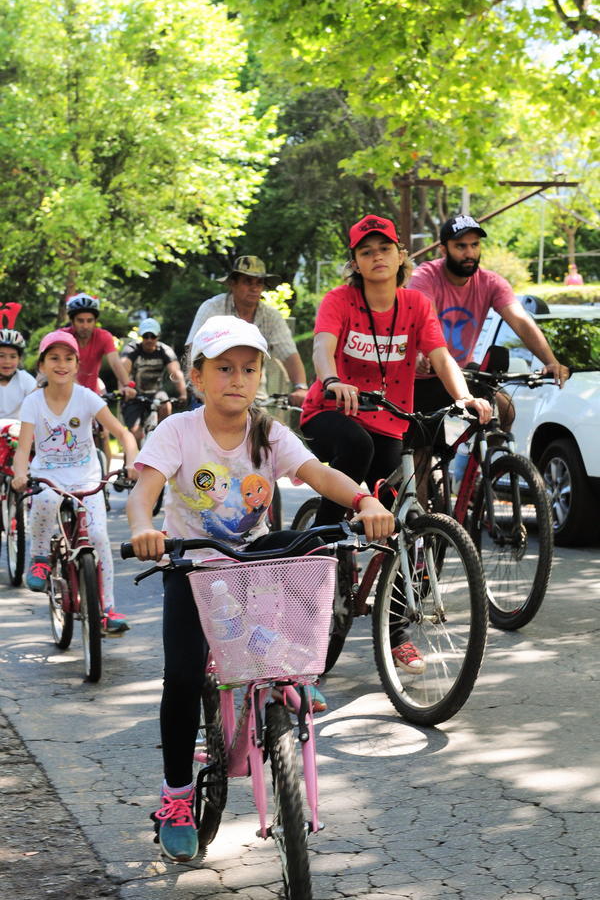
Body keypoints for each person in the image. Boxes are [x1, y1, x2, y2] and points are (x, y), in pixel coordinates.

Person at [126, 315, 394, 862]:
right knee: (183, 676)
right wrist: (142, 530)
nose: (238, 379)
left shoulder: (268, 432)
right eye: (224, 368)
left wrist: (364, 500)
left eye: (249, 369)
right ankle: (176, 797)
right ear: (197, 376)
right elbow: (144, 490)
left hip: (250, 562)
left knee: (304, 559)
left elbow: (319, 474)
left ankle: (284, 680)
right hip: (191, 564)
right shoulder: (178, 431)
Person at [299, 214, 492, 674]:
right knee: (358, 450)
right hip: (331, 411)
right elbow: (322, 346)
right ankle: (321, 547)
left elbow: (440, 355)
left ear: (400, 255)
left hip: (390, 420)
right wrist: (332, 380)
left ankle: (398, 631)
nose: (377, 257)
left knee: (400, 524)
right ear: (355, 263)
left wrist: (463, 397)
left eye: (384, 248)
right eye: (366, 252)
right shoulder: (340, 300)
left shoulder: (415, 304)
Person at [407, 214, 569, 492]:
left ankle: (477, 481)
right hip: (419, 379)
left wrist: (551, 361)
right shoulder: (425, 277)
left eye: (474, 245)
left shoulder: (491, 282)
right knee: (421, 455)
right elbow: (425, 319)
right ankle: (420, 519)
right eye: (461, 246)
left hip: (458, 376)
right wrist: (424, 353)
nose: (469, 253)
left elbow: (521, 321)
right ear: (443, 249)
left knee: (503, 410)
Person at [12, 332, 138, 633]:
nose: (62, 364)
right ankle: (40, 557)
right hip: (49, 476)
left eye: (69, 358)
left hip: (86, 477)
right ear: (42, 365)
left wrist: (132, 461)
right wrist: (19, 474)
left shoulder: (87, 398)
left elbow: (123, 434)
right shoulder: (33, 402)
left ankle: (106, 609)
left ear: (77, 365)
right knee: (44, 499)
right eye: (54, 358)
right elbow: (23, 449)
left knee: (98, 536)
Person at [185, 256, 309, 407]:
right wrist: (200, 390)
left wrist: (301, 387)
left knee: (263, 421)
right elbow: (193, 351)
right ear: (233, 283)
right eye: (248, 281)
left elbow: (289, 354)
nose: (254, 288)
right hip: (210, 393)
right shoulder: (212, 308)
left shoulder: (272, 316)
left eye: (259, 282)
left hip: (254, 397)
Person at [63, 293, 137, 466]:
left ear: (95, 321)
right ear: (72, 321)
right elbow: (65, 371)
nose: (85, 325)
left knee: (103, 434)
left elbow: (116, 363)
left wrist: (127, 385)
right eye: (80, 321)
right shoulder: (64, 337)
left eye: (90, 320)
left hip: (93, 392)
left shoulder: (103, 336)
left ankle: (104, 479)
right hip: (67, 394)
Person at [120, 318, 187, 447]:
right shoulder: (132, 349)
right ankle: (133, 455)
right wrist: (125, 389)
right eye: (146, 336)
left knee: (166, 405)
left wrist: (183, 394)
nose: (149, 339)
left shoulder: (165, 350)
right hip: (134, 394)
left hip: (156, 393)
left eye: (153, 336)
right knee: (136, 434)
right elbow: (123, 371)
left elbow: (175, 373)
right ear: (141, 336)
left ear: (158, 336)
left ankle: (161, 436)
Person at [0, 329, 36, 419]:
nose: (7, 361)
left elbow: (39, 401)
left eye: (13, 356)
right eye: (1, 356)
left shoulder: (25, 379)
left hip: (16, 426)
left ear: (19, 359)